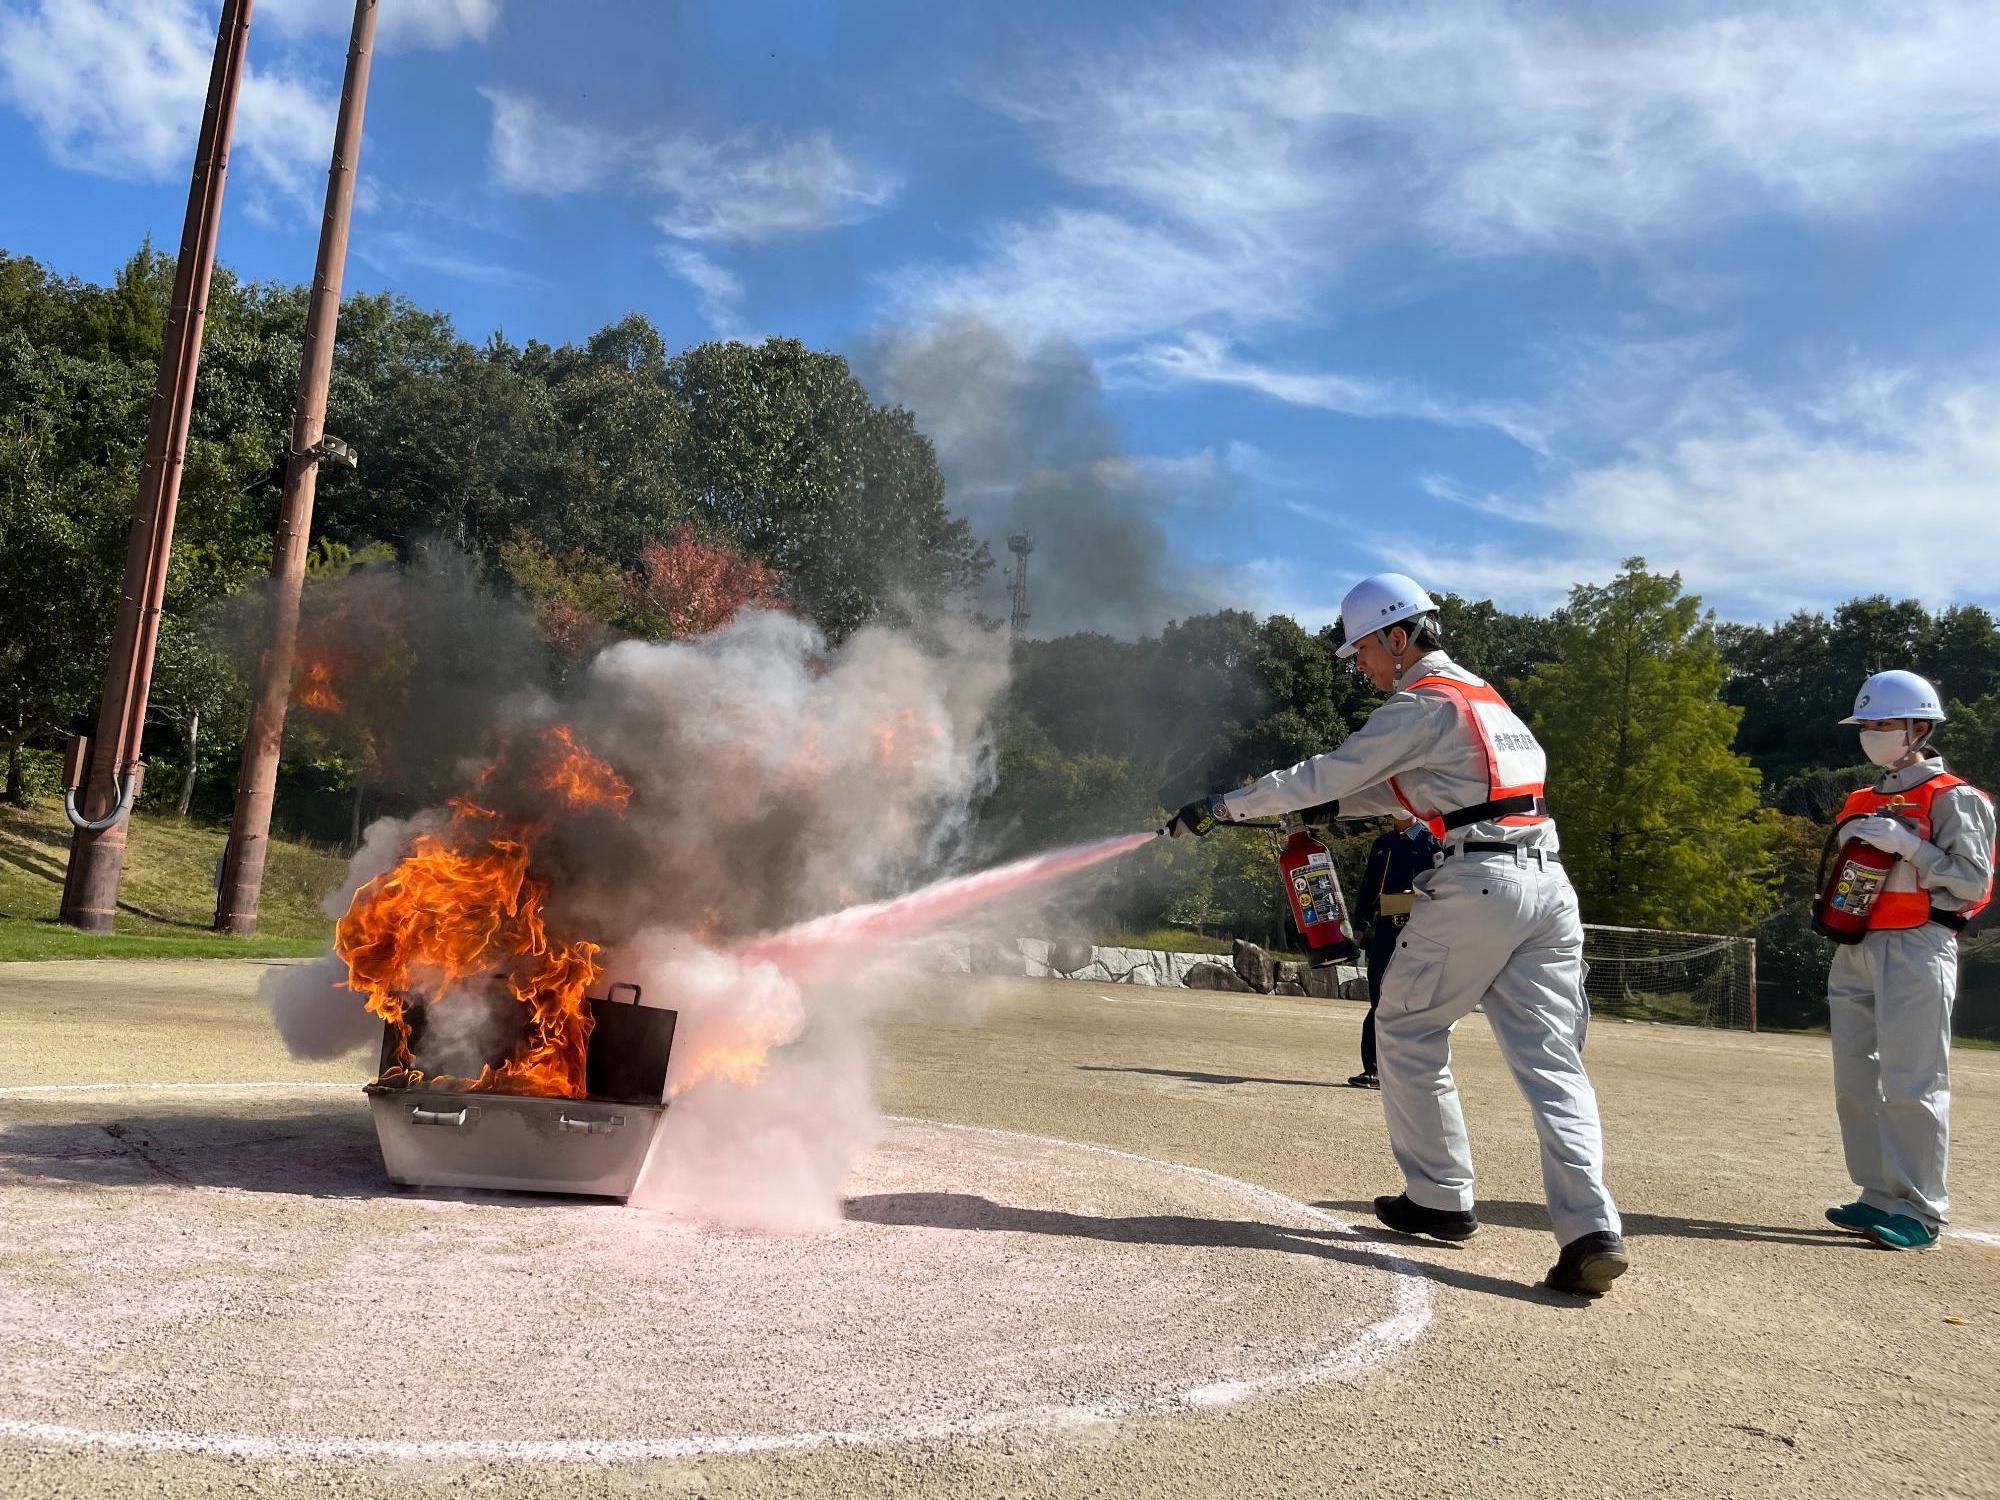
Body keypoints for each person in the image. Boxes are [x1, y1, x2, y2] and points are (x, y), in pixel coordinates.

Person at [1168, 572, 1627, 1296]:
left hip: (1479, 885)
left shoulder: (1421, 703)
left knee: (1405, 1031)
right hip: (1548, 886)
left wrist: (1226, 806)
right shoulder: (1488, 703)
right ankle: (1592, 1232)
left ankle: (1442, 1197)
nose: (1361, 669)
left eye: (1363, 653)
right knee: (1553, 1067)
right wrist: (1328, 814)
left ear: (1398, 634)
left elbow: (1327, 772)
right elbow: (1430, 788)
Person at [1823, 670, 1994, 1251]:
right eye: (1865, 724)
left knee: (1913, 1079)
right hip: (1856, 944)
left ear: (1921, 727)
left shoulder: (1954, 798)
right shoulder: (1860, 799)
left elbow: (1974, 883)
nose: (1872, 733)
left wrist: (1912, 847)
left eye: (1884, 723)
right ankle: (1875, 1194)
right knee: (1854, 1077)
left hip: (1919, 942)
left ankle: (1919, 1210)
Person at [1349, 811, 1439, 1089]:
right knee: (1379, 994)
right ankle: (1373, 1068)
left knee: (1417, 996)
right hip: (1387, 927)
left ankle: (1412, 1068)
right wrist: (1359, 925)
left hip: (1421, 929)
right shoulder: (1382, 844)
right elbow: (1367, 888)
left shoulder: (1432, 842)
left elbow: (1443, 883)